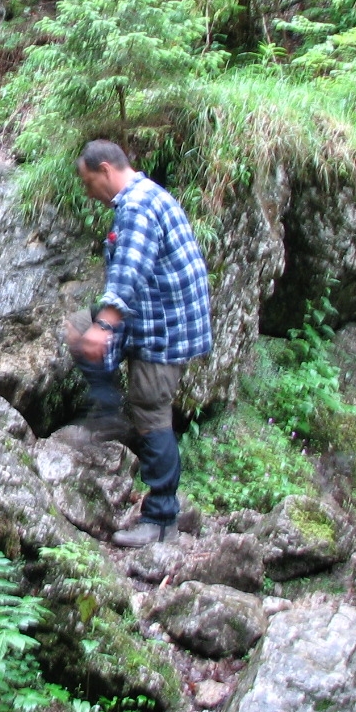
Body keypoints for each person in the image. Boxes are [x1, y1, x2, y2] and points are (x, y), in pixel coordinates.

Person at [64, 139, 213, 547]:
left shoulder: (137, 206)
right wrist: (98, 326)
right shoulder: (143, 197)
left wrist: (105, 326)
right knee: (78, 326)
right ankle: (107, 413)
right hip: (149, 312)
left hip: (165, 325)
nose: (88, 192)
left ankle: (161, 518)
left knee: (151, 411)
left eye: (88, 182)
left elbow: (130, 270)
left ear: (106, 169)